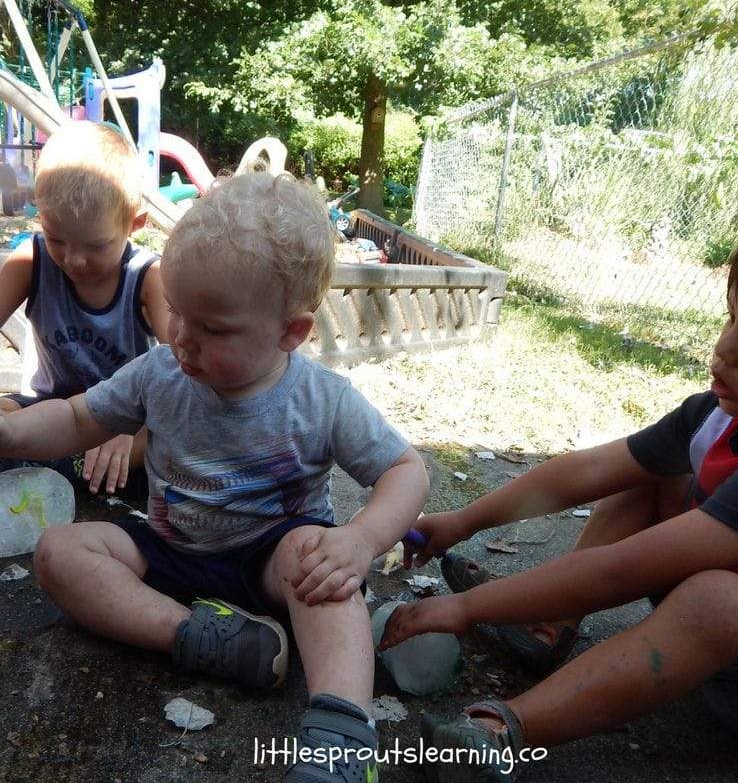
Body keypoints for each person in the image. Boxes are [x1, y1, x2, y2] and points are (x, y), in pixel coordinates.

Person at [4, 171, 430, 783]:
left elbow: (404, 470)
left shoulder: (320, 400)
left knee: (322, 565)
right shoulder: (158, 373)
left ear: (292, 332)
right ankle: (205, 637)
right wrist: (11, 432)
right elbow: (76, 418)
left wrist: (360, 542)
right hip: (172, 550)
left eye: (214, 329)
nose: (183, 339)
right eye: (177, 313)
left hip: (272, 562)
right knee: (60, 552)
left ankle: (342, 731)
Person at [379, 208, 738, 781]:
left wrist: (464, 607)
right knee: (647, 472)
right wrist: (464, 519)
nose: (726, 349)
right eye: (732, 318)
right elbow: (589, 471)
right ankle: (546, 625)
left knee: (721, 601)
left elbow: (620, 572)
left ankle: (501, 735)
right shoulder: (720, 418)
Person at [0, 121, 170, 493]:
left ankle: (54, 466)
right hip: (49, 411)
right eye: (57, 239)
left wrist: (132, 426)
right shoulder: (31, 259)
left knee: (167, 443)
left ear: (134, 223)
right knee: (7, 414)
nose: (74, 260)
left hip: (124, 419)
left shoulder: (147, 277)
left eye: (95, 246)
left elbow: (181, 369)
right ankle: (60, 464)